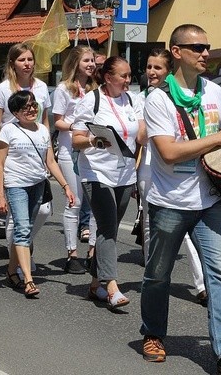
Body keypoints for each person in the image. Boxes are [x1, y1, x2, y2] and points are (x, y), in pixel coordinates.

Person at [139, 24, 221, 373]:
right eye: (197, 47)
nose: (206, 53)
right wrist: (218, 140)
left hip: (210, 201)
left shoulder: (214, 92)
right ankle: (152, 333)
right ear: (176, 52)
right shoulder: (159, 98)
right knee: (158, 274)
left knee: (219, 275)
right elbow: (168, 153)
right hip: (169, 203)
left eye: (208, 46)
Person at [72, 56, 144, 309]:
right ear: (108, 77)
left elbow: (142, 135)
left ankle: (94, 284)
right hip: (96, 172)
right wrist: (93, 141)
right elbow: (76, 139)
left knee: (109, 229)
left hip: (125, 173)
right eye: (123, 76)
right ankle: (112, 286)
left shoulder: (134, 99)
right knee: (107, 225)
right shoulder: (91, 101)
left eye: (129, 75)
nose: (128, 80)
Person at [137, 48, 207, 305]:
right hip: (148, 166)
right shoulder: (141, 98)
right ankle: (152, 271)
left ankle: (201, 284)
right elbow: (140, 138)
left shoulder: (174, 97)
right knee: (148, 222)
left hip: (178, 167)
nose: (152, 72)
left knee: (185, 229)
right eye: (149, 67)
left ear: (169, 72)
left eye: (157, 68)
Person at [0, 90, 75, 297]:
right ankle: (28, 280)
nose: (31, 110)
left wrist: (66, 186)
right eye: (25, 108)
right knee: (22, 229)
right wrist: (0, 194)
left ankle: (11, 271)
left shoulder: (42, 130)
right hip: (16, 185)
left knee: (26, 230)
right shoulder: (8, 130)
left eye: (33, 105)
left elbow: (50, 162)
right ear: (15, 112)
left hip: (37, 184)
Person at [0, 43, 52, 252]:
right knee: (15, 216)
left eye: (30, 59)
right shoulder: (3, 89)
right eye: (22, 60)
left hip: (35, 150)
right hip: (11, 151)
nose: (27, 64)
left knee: (42, 210)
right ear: (12, 64)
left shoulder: (41, 87)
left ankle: (21, 248)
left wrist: (48, 153)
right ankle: (18, 260)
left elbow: (45, 122)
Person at [52, 45, 98, 274]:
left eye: (93, 61)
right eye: (86, 61)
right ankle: (72, 254)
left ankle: (92, 252)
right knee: (75, 203)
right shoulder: (63, 89)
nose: (91, 64)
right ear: (75, 63)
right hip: (69, 150)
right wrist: (76, 127)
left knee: (97, 204)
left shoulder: (96, 89)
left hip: (90, 151)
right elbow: (57, 121)